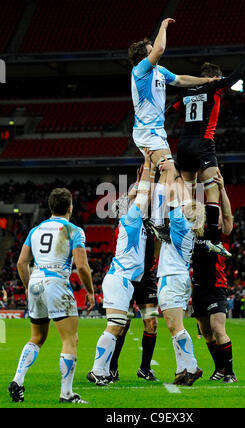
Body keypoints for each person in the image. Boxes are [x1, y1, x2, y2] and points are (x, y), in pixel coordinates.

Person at [128, 18, 218, 241]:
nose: (156, 54)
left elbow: (180, 80)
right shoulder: (140, 71)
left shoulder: (159, 71)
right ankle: (159, 221)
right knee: (168, 168)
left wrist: (205, 80)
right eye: (150, 52)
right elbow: (159, 48)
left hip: (157, 132)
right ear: (144, 57)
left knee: (170, 172)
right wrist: (164, 27)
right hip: (146, 131)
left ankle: (163, 217)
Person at [168, 44, 245, 256]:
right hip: (203, 145)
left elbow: (167, 111)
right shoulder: (214, 86)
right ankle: (213, 239)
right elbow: (238, 75)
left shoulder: (186, 91)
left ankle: (181, 232)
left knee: (188, 194)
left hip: (183, 145)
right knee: (212, 191)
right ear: (215, 77)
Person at [9, 188, 95, 404]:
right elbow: (82, 266)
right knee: (69, 339)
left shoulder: (35, 230)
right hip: (56, 281)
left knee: (36, 338)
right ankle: (66, 394)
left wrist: (29, 286)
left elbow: (21, 263)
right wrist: (90, 292)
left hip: (36, 281)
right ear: (69, 208)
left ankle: (17, 381)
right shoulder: (73, 230)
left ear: (50, 207)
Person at [87, 150, 152, 386]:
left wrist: (144, 174)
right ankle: (97, 370)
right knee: (115, 326)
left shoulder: (134, 221)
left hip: (124, 280)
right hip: (120, 279)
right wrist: (150, 165)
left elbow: (140, 193)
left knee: (118, 326)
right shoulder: (131, 218)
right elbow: (142, 193)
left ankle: (102, 371)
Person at [157, 155, 205, 386]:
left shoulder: (179, 223)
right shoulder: (188, 227)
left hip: (172, 278)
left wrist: (170, 170)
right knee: (175, 326)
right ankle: (181, 369)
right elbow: (184, 197)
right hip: (179, 277)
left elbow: (171, 195)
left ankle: (192, 366)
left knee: (175, 327)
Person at [109, 166, 159, 383]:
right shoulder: (126, 217)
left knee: (152, 323)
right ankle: (112, 368)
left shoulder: (153, 222)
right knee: (123, 323)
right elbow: (116, 206)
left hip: (146, 277)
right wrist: (138, 183)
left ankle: (144, 369)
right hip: (127, 277)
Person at [192, 171, 237, 383]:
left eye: (216, 215)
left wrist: (222, 189)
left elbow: (227, 216)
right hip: (198, 287)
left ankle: (230, 373)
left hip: (216, 285)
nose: (215, 217)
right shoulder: (196, 232)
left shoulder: (221, 232)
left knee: (219, 329)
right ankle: (219, 368)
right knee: (206, 332)